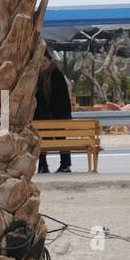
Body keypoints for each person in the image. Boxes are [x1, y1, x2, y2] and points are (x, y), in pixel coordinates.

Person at [35, 44, 73, 173]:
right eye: (40, 62)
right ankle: (43, 165)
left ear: (50, 60)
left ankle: (65, 165)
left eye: (44, 61)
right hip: (46, 115)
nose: (43, 64)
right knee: (42, 139)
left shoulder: (56, 74)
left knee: (61, 138)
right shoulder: (40, 76)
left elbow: (57, 97)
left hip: (58, 115)